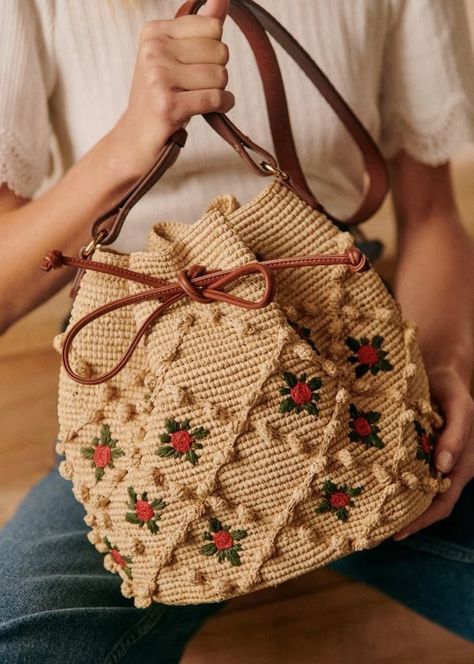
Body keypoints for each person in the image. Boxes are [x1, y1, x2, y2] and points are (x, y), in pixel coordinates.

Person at [0, 0, 473, 660]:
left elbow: (432, 219)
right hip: (145, 397)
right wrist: (125, 146)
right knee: (28, 640)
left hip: (345, 371)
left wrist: (446, 366)